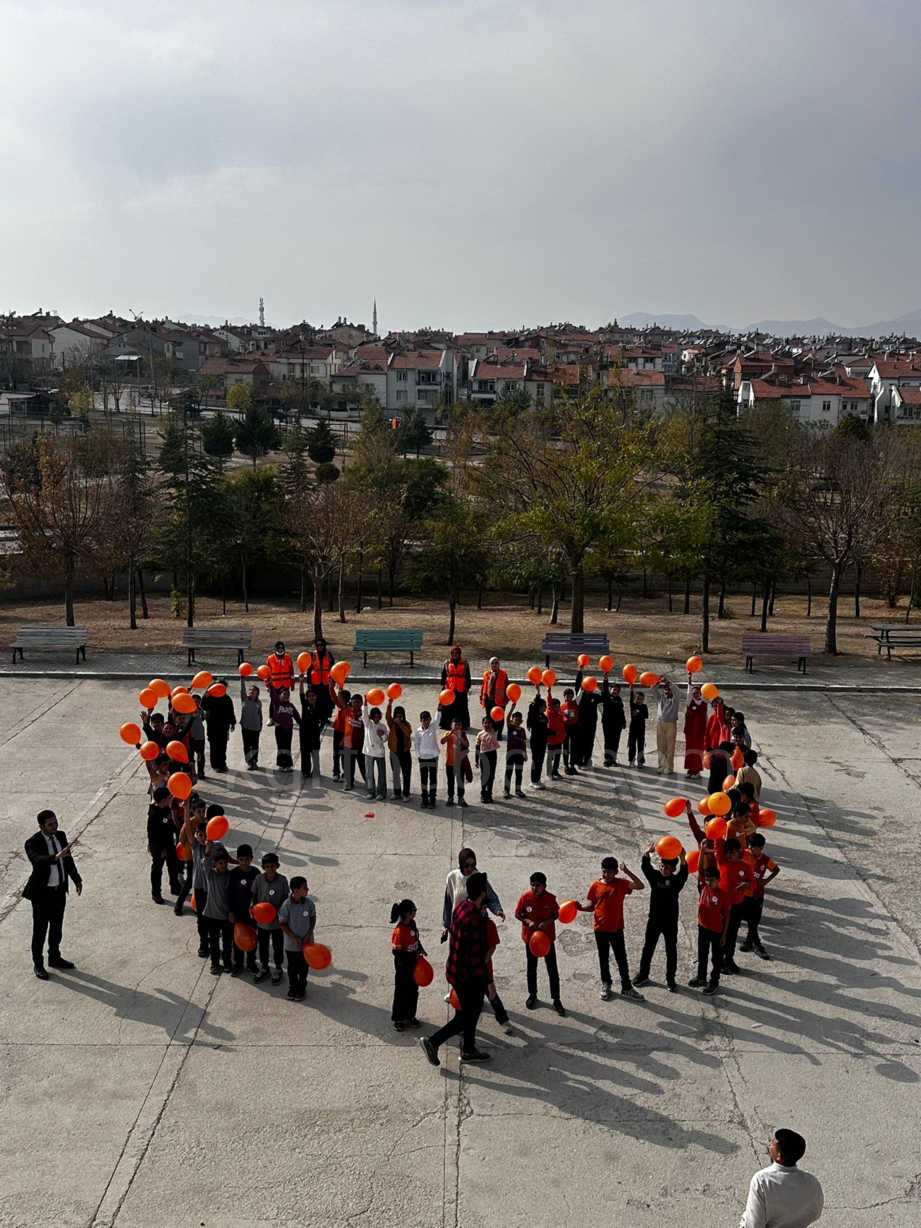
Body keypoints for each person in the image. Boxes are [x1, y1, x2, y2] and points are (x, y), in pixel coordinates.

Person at [420, 870, 492, 1066]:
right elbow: (476, 955)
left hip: (455, 971)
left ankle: (469, 1048)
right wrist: (486, 977)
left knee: (474, 1009)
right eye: (486, 888)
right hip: (468, 976)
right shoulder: (474, 921)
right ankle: (433, 1042)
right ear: (482, 892)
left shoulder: (462, 908)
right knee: (466, 1015)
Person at [575, 856, 645, 1002]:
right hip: (600, 928)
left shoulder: (621, 884)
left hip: (616, 928)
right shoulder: (595, 885)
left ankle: (627, 987)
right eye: (603, 871)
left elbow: (640, 886)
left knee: (621, 958)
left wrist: (627, 871)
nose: (605, 875)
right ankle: (606, 984)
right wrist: (580, 908)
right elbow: (592, 906)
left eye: (608, 872)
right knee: (603, 958)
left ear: (615, 872)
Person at [23, 809, 82, 979]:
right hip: (42, 895)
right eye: (50, 824)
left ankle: (54, 957)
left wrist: (76, 879)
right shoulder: (32, 842)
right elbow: (37, 860)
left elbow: (68, 860)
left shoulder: (61, 836)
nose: (54, 826)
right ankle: (38, 964)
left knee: (56, 927)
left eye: (55, 823)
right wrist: (55, 857)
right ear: (41, 826)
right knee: (40, 930)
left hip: (59, 892)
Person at [740, 1129, 824, 1228]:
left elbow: (753, 1224)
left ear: (779, 1156)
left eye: (773, 1143)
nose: (770, 1144)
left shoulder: (762, 1180)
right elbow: (816, 1213)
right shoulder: (812, 1181)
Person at [634, 843, 689, 991]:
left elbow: (684, 874)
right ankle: (643, 975)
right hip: (654, 921)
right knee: (648, 948)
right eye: (662, 866)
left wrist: (683, 858)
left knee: (671, 950)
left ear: (673, 870)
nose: (664, 869)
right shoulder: (655, 877)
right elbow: (645, 867)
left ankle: (671, 980)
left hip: (670, 923)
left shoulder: (676, 882)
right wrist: (647, 853)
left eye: (668, 868)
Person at [516, 871, 565, 1015]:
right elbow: (518, 914)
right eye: (532, 885)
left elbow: (556, 913)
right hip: (531, 940)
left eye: (537, 885)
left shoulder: (550, 899)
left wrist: (548, 922)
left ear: (544, 886)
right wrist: (528, 922)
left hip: (547, 939)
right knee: (531, 969)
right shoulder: (525, 897)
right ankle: (532, 995)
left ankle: (556, 999)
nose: (534, 888)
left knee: (552, 970)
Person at [441, 848, 505, 940]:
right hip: (459, 921)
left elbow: (490, 896)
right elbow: (448, 903)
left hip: (476, 922)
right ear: (461, 864)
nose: (470, 868)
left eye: (473, 865)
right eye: (466, 865)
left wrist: (497, 910)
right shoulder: (452, 877)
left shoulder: (478, 877)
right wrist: (446, 925)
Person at [193, 837, 234, 975]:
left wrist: (231, 912)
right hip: (211, 915)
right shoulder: (210, 875)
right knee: (214, 943)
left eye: (225, 863)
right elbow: (205, 861)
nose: (223, 865)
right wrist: (208, 848)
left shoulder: (230, 876)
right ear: (214, 864)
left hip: (227, 916)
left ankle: (228, 963)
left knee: (227, 943)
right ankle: (215, 964)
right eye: (220, 863)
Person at [689, 864, 729, 994]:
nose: (709, 882)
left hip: (716, 931)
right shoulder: (704, 888)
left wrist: (724, 935)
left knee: (716, 958)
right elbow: (699, 868)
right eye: (707, 879)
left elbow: (727, 917)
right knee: (702, 954)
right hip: (703, 928)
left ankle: (714, 982)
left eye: (712, 880)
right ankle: (701, 978)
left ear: (718, 879)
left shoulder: (723, 896)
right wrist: (702, 852)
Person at [252, 852, 289, 985]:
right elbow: (254, 896)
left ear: (277, 866)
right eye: (267, 866)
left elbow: (286, 898)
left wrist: (282, 914)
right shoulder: (258, 879)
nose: (270, 869)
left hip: (277, 922)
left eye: (272, 866)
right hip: (262, 922)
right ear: (263, 867)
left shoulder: (283, 880)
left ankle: (278, 968)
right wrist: (254, 910)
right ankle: (264, 967)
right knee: (263, 945)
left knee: (278, 946)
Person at [740, 833, 779, 960]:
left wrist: (765, 881)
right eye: (751, 847)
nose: (752, 850)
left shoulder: (765, 860)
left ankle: (751, 943)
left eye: (755, 848)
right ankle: (754, 944)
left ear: (761, 848)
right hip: (744, 894)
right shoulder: (744, 854)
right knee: (749, 920)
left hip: (757, 895)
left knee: (754, 921)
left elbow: (776, 870)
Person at [277, 876, 316, 1001]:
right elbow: (282, 924)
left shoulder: (309, 904)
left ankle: (302, 987)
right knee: (292, 967)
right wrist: (294, 938)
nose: (307, 889)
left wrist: (309, 934)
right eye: (304, 887)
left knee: (303, 967)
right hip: (291, 945)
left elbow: (312, 918)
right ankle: (292, 987)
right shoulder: (286, 905)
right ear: (295, 890)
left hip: (306, 944)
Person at [390, 898, 425, 1031]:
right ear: (407, 913)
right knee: (401, 993)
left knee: (413, 992)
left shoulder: (412, 924)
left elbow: (416, 939)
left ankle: (410, 1016)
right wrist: (408, 964)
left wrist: (420, 949)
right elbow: (397, 953)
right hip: (403, 969)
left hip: (414, 966)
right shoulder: (399, 932)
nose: (416, 912)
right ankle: (398, 1019)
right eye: (414, 910)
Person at [228, 843, 259, 976]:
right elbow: (229, 894)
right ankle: (238, 963)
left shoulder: (256, 873)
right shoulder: (234, 874)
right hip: (238, 912)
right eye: (241, 860)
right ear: (237, 859)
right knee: (238, 939)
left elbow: (259, 893)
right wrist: (230, 912)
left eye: (247, 859)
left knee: (252, 937)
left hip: (252, 913)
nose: (244, 862)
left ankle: (251, 963)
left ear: (251, 859)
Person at [147, 784, 181, 905]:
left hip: (168, 843)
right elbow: (152, 835)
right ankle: (156, 893)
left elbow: (169, 824)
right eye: (168, 797)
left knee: (173, 865)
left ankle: (175, 886)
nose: (170, 798)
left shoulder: (166, 808)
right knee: (157, 869)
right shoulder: (154, 815)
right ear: (162, 800)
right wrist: (160, 849)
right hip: (159, 847)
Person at [201, 682, 236, 773]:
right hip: (212, 726)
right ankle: (215, 765)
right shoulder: (209, 697)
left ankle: (222, 764)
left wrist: (233, 723)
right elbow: (203, 706)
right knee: (214, 746)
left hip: (224, 727)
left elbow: (230, 711)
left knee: (223, 746)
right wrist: (206, 695)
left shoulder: (227, 698)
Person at [439, 644, 472, 730]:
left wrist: (467, 686)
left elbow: (468, 676)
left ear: (459, 654)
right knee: (448, 708)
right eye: (453, 653)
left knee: (462, 708)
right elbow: (443, 675)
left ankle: (463, 725)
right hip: (449, 690)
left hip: (461, 689)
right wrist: (443, 685)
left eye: (456, 653)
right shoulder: (447, 663)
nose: (455, 654)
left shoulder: (465, 663)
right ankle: (446, 724)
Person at [386, 699, 413, 799]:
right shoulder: (391, 724)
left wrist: (400, 724)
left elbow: (408, 733)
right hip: (394, 753)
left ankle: (406, 794)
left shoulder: (407, 724)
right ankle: (397, 793)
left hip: (405, 753)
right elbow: (387, 716)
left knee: (406, 774)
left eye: (400, 716)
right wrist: (389, 705)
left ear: (403, 716)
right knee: (395, 774)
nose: (398, 718)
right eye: (396, 716)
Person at [412, 709, 440, 809]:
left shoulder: (433, 727)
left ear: (430, 719)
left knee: (433, 779)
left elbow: (438, 719)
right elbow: (416, 744)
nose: (426, 722)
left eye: (427, 720)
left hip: (433, 757)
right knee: (424, 779)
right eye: (423, 720)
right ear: (421, 721)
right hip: (423, 758)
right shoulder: (418, 731)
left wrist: (439, 709)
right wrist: (418, 755)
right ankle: (424, 800)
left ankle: (432, 800)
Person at [362, 699, 388, 801]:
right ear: (371, 717)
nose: (377, 718)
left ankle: (381, 793)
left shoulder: (383, 726)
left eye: (379, 716)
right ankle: (370, 792)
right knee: (369, 773)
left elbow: (386, 738)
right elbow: (364, 715)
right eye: (375, 716)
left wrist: (382, 736)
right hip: (368, 752)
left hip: (380, 753)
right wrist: (365, 704)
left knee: (381, 774)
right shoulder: (368, 724)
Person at [270, 686, 300, 772]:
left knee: (287, 747)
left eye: (288, 694)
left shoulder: (291, 706)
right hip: (279, 729)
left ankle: (288, 765)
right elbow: (272, 695)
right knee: (281, 746)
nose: (287, 696)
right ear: (279, 695)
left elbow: (297, 716)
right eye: (284, 694)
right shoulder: (277, 703)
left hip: (289, 729)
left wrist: (301, 724)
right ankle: (281, 765)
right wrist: (272, 685)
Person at [574, 669, 600, 767]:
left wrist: (605, 683)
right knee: (579, 742)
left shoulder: (595, 696)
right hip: (580, 724)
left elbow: (605, 698)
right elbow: (577, 685)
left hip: (591, 724)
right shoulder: (580, 695)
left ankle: (587, 759)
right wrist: (580, 671)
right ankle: (578, 760)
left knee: (589, 743)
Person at [307, 637, 336, 727]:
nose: (320, 647)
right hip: (315, 682)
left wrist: (333, 681)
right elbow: (309, 669)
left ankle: (325, 718)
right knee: (316, 701)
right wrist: (309, 682)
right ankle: (316, 717)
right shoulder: (312, 655)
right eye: (318, 645)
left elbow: (334, 669)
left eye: (322, 645)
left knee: (326, 701)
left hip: (326, 682)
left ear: (324, 646)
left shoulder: (329, 655)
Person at [297, 682, 323, 779]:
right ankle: (305, 771)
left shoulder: (319, 706)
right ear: (307, 698)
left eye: (313, 696)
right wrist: (301, 682)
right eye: (309, 696)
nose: (311, 698)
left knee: (315, 753)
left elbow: (323, 721)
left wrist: (320, 729)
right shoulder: (305, 704)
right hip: (304, 733)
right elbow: (301, 693)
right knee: (305, 753)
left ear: (316, 696)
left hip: (315, 733)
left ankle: (316, 771)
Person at [441, 718, 470, 807]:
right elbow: (442, 741)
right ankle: (450, 798)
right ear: (451, 726)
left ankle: (461, 798)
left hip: (460, 763)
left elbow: (467, 745)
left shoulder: (463, 734)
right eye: (455, 725)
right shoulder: (447, 733)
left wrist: (459, 737)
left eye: (459, 725)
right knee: (450, 781)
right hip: (449, 763)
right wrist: (450, 733)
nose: (457, 727)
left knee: (460, 781)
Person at [654, 675, 679, 774]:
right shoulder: (661, 698)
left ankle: (669, 767)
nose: (666, 691)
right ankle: (661, 766)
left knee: (670, 747)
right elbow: (653, 689)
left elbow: (677, 691)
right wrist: (658, 682)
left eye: (668, 689)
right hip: (660, 723)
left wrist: (668, 682)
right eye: (665, 689)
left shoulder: (675, 699)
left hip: (671, 724)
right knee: (660, 746)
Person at [600, 673, 626, 766]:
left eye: (617, 690)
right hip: (607, 723)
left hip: (617, 724)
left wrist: (623, 722)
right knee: (608, 741)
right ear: (610, 690)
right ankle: (607, 759)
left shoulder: (619, 699)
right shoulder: (607, 697)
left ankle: (613, 759)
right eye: (614, 689)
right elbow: (605, 690)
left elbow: (621, 711)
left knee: (615, 742)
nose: (615, 691)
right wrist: (605, 679)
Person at [480, 657, 508, 738]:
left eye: (496, 663)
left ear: (499, 664)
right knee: (489, 717)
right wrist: (481, 697)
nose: (494, 665)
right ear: (490, 665)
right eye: (492, 663)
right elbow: (483, 686)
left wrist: (506, 699)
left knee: (500, 718)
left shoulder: (503, 674)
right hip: (489, 700)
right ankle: (490, 732)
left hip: (500, 700)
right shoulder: (486, 674)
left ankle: (498, 734)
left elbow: (507, 686)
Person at [684, 681, 707, 778]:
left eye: (697, 693)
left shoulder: (704, 703)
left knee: (698, 751)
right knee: (689, 750)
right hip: (690, 731)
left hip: (699, 732)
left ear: (701, 694)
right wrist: (689, 680)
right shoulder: (689, 702)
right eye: (694, 693)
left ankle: (697, 771)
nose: (695, 695)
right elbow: (688, 692)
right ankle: (690, 769)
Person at [239, 678, 263, 770]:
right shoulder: (244, 699)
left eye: (254, 690)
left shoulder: (259, 702)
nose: (251, 692)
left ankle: (254, 761)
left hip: (256, 728)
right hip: (245, 727)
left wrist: (260, 724)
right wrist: (242, 680)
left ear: (257, 693)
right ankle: (249, 762)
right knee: (246, 745)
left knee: (255, 745)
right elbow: (242, 690)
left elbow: (259, 714)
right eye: (250, 690)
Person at [503, 709, 527, 797]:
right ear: (512, 720)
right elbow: (507, 718)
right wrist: (512, 709)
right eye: (515, 720)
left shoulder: (523, 730)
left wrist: (525, 754)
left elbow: (524, 742)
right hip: (510, 754)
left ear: (521, 721)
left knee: (519, 773)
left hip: (520, 754)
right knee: (508, 772)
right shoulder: (510, 727)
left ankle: (518, 790)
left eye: (518, 720)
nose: (517, 721)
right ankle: (506, 791)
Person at [475, 716, 498, 803]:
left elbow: (498, 722)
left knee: (491, 776)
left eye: (489, 723)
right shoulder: (480, 734)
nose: (487, 724)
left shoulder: (494, 731)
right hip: (483, 756)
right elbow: (477, 748)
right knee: (484, 776)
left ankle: (489, 794)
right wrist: (476, 760)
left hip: (493, 755)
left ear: (492, 724)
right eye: (485, 723)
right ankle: (483, 794)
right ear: (482, 724)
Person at [266, 640, 295, 709]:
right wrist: (267, 686)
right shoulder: (270, 658)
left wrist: (292, 684)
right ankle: (271, 717)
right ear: (276, 649)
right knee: (273, 701)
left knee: (285, 701)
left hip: (286, 684)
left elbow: (292, 672)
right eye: (278, 648)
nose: (280, 650)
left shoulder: (288, 657)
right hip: (275, 684)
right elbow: (267, 673)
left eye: (282, 648)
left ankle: (286, 716)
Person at [560, 687, 580, 774]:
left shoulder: (576, 703)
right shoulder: (561, 706)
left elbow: (580, 692)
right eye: (567, 695)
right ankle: (566, 765)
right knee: (565, 747)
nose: (568, 697)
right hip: (565, 728)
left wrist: (580, 674)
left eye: (570, 695)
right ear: (564, 696)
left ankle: (572, 765)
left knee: (574, 747)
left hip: (574, 728)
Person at [628, 685, 648, 768]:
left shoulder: (644, 706)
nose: (639, 700)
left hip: (641, 729)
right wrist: (631, 690)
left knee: (640, 746)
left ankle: (640, 762)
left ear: (643, 700)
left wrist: (639, 713)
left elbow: (646, 716)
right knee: (632, 746)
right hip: (633, 729)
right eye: (638, 698)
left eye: (641, 699)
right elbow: (630, 700)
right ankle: (631, 760)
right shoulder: (633, 705)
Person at [545, 695, 564, 779]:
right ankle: (549, 773)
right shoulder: (550, 713)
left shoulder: (560, 715)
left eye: (558, 706)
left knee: (557, 757)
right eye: (555, 707)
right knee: (550, 758)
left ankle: (555, 771)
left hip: (559, 740)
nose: (557, 708)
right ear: (552, 707)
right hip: (551, 740)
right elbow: (549, 703)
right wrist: (549, 692)